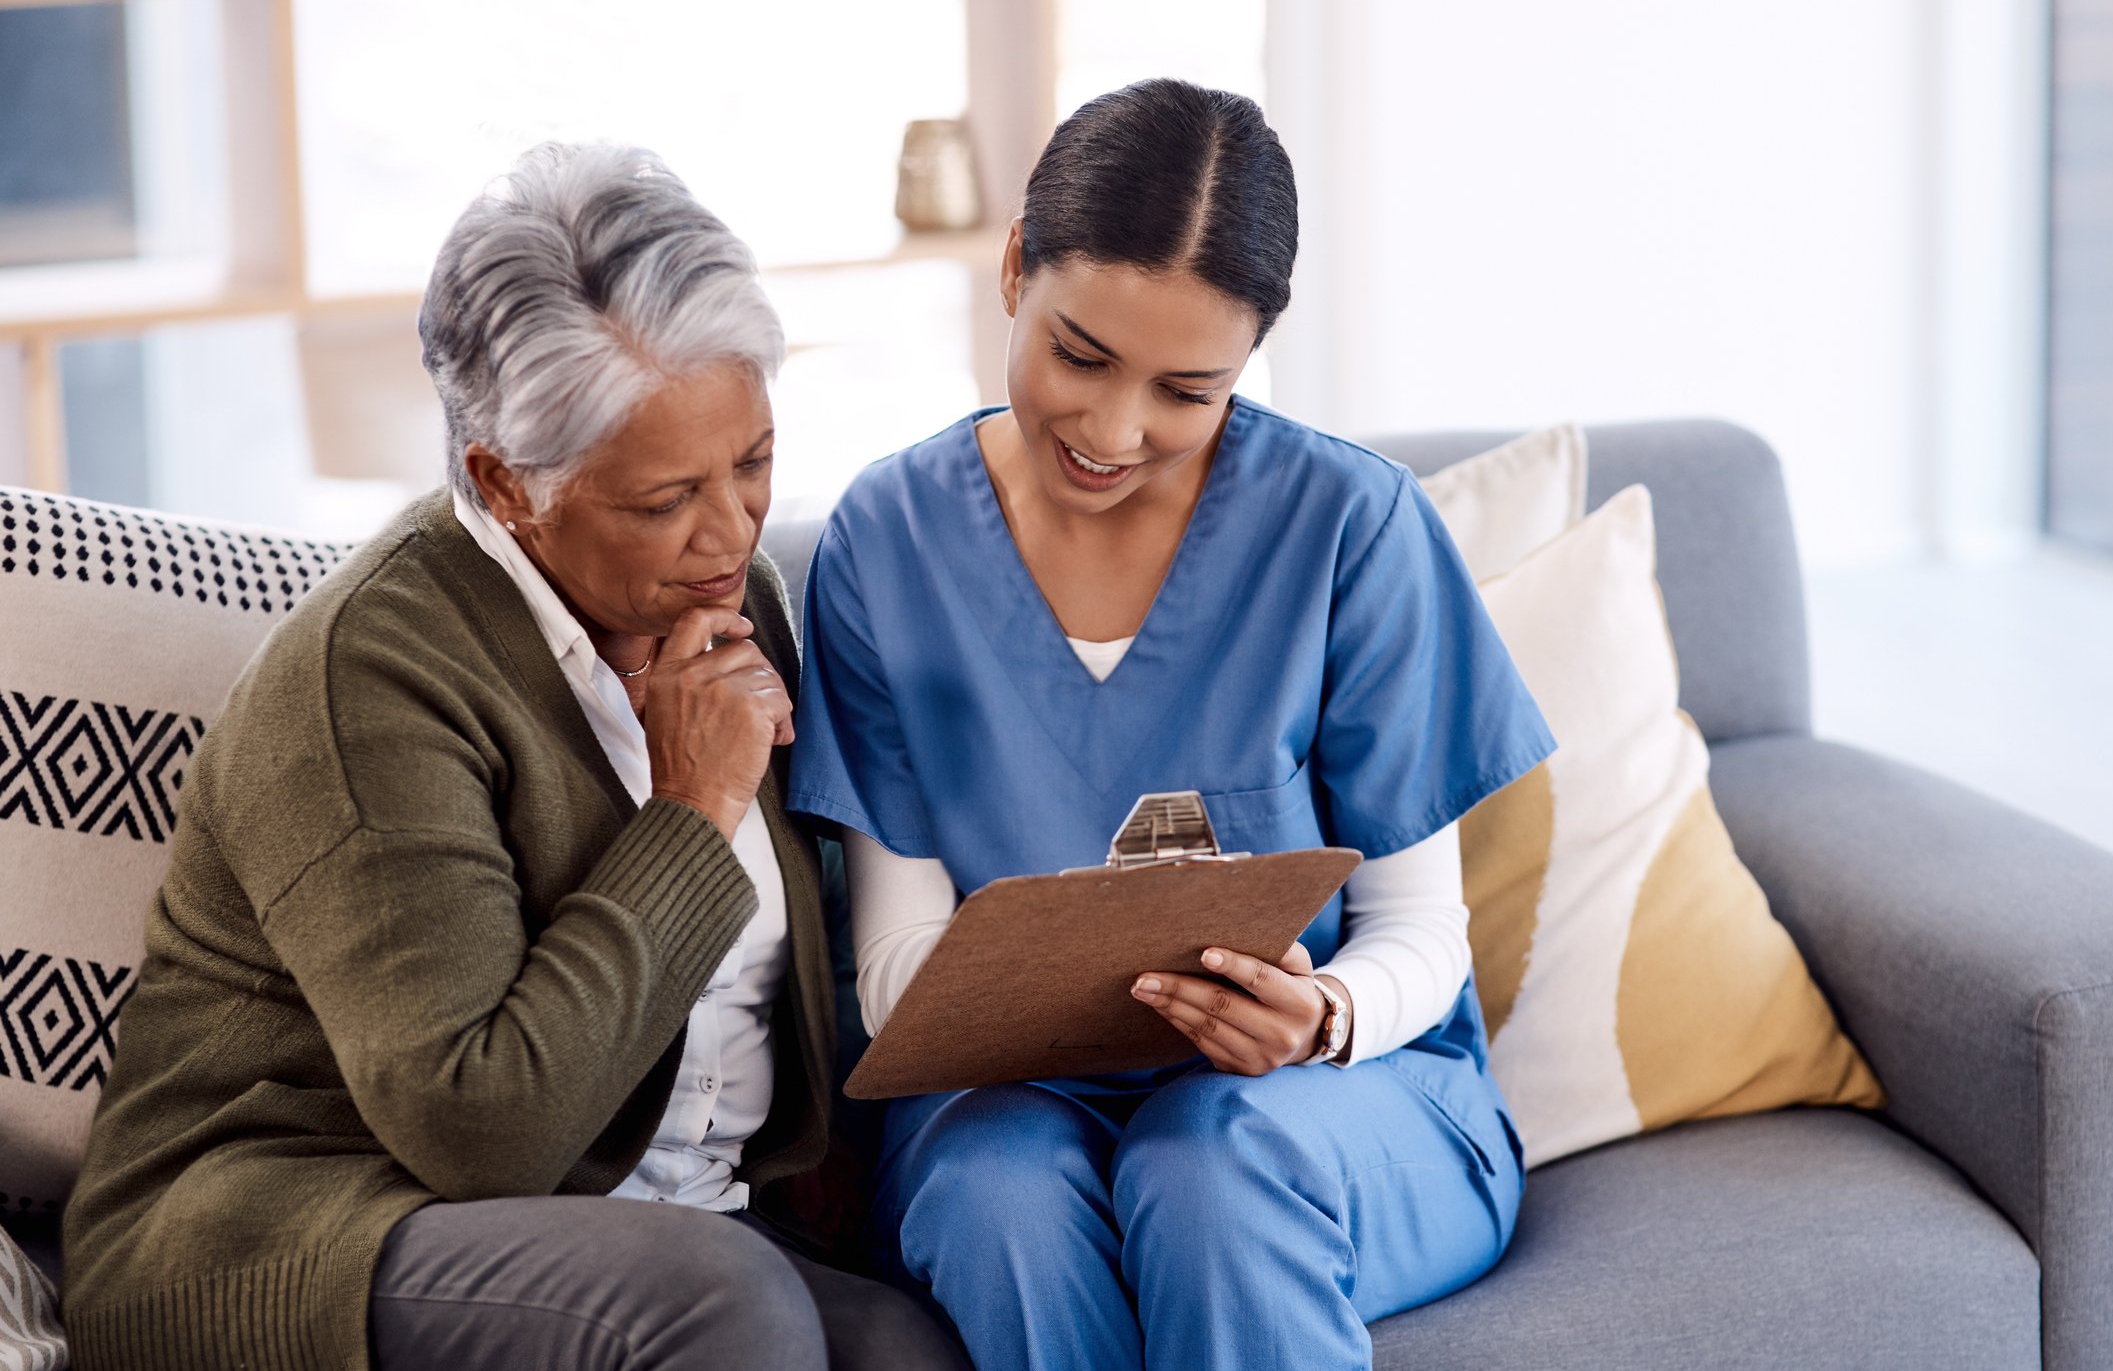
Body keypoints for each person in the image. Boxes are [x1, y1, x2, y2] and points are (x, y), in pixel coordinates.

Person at [61, 144, 966, 1371]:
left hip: (658, 1221)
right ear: (508, 481)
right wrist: (692, 808)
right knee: (723, 1301)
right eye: (664, 497)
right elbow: (483, 1131)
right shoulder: (370, 679)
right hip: (306, 1223)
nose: (731, 528)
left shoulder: (728, 598)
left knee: (904, 1344)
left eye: (752, 462)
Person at [787, 80, 1557, 1371]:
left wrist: (1317, 1020)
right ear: (1016, 267)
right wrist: (1024, 1011)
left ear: (1252, 358)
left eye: (1186, 390)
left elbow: (1421, 937)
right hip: (1004, 1114)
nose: (1113, 430)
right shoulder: (889, 541)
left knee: (1213, 1154)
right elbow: (895, 953)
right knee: (998, 1197)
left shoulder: (1350, 531)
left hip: (1320, 1107)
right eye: (1079, 355)